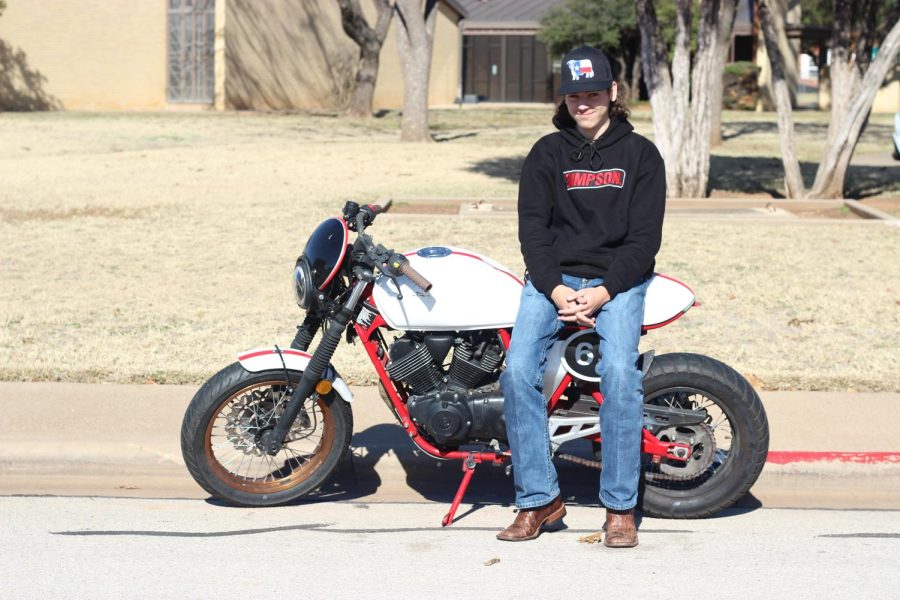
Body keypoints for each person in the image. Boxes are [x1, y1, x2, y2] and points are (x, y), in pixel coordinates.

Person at [496, 46, 666, 548]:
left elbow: (644, 240)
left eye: (593, 92)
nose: (584, 102)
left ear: (614, 93)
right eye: (575, 95)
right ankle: (538, 500)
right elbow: (534, 232)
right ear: (564, 97)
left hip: (618, 282)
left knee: (618, 374)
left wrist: (602, 291)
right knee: (517, 372)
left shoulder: (642, 156)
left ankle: (618, 508)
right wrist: (554, 288)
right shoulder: (547, 153)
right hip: (553, 279)